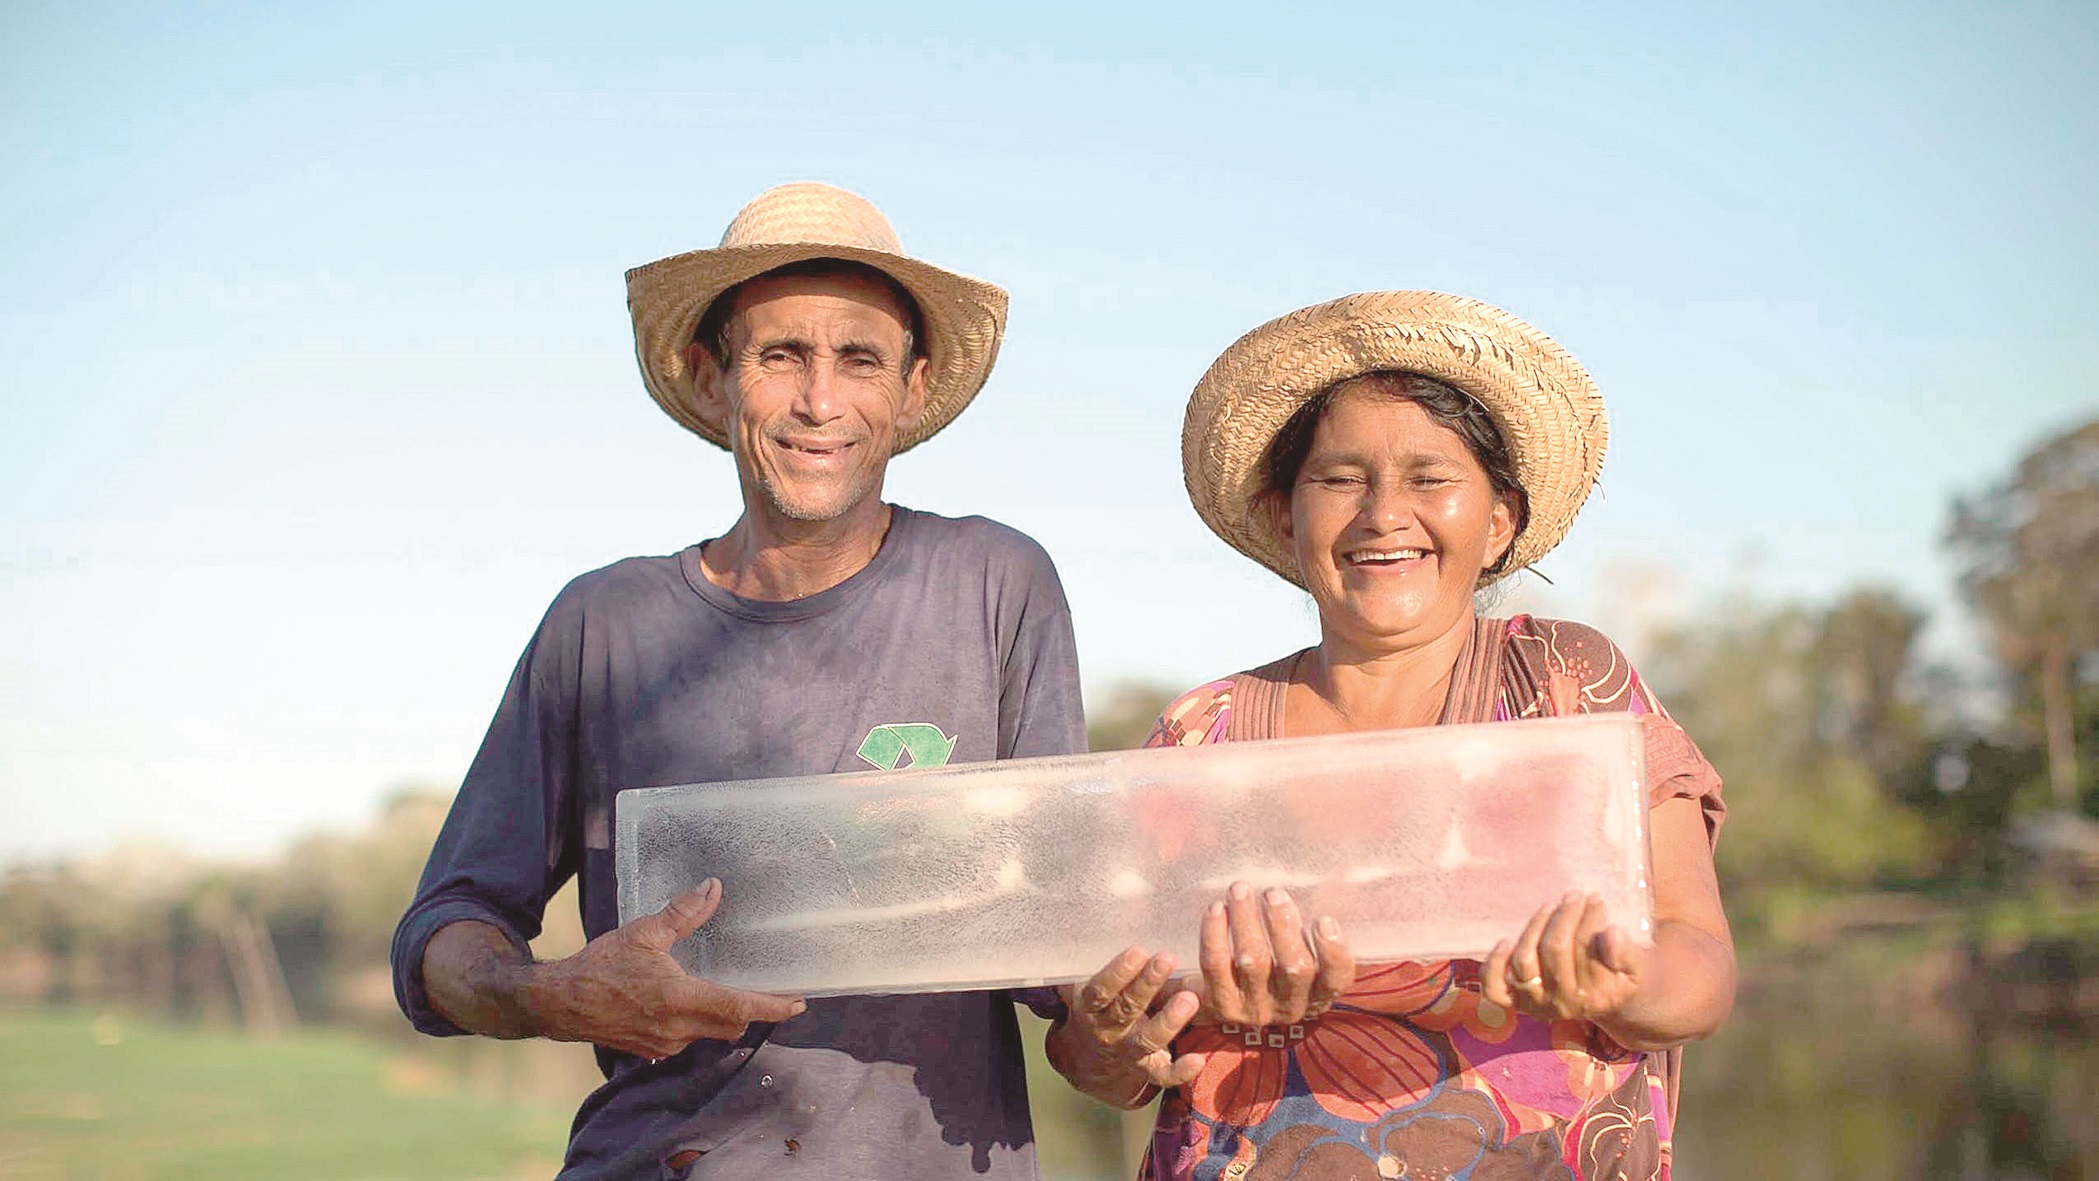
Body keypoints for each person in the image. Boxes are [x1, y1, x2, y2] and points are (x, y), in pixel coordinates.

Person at [390, 182, 1086, 1179]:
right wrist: (551, 993)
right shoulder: (604, 624)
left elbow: (1061, 933)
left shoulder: (993, 584)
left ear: (913, 385)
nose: (818, 399)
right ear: (714, 377)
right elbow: (440, 933)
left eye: (858, 358)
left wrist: (1152, 979)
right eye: (779, 356)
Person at [1051, 292, 1734, 1180]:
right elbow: (1100, 1064)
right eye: (1338, 479)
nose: (1382, 513)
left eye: (1429, 478)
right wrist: (1112, 1043)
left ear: (1498, 521)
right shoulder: (1198, 738)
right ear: (1281, 516)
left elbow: (1701, 966)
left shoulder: (1566, 689)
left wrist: (1625, 984)